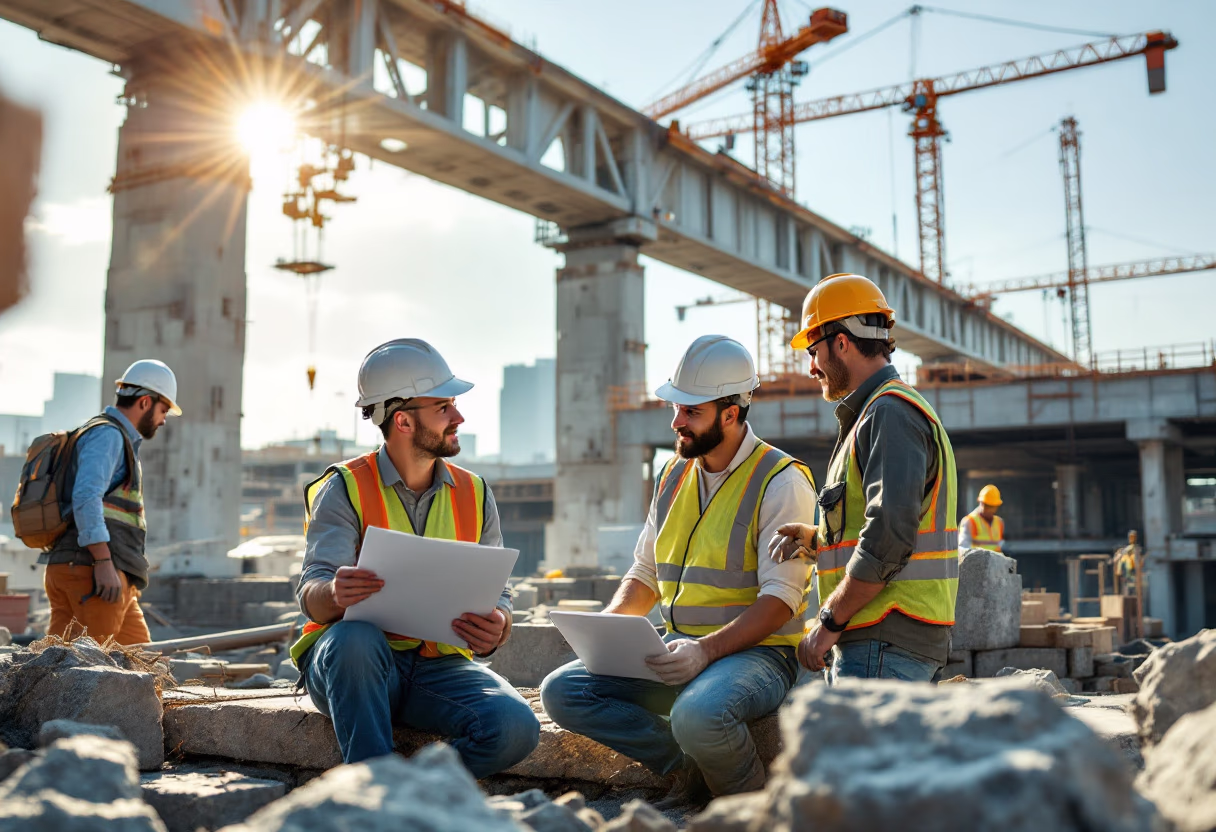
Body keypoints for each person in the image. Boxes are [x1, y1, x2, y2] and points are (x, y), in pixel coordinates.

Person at [541, 335, 817, 804]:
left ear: (730, 413)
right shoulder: (673, 475)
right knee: (563, 691)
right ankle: (686, 770)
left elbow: (780, 602)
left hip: (760, 656)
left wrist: (704, 652)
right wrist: (608, 631)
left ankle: (748, 807)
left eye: (691, 411)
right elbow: (644, 572)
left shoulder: (781, 480)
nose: (676, 421)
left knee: (697, 715)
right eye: (677, 408)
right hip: (680, 649)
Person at [290, 338, 539, 775]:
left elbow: (498, 591)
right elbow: (311, 592)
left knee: (514, 727)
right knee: (356, 640)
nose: (458, 417)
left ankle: (410, 790)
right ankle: (375, 793)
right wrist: (336, 592)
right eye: (443, 407)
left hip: (436, 670)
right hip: (356, 667)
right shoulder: (344, 487)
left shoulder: (475, 493)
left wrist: (499, 624)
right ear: (403, 421)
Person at [769, 273, 959, 683]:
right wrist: (819, 538)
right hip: (883, 644)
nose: (811, 366)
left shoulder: (889, 413)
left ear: (842, 342)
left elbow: (888, 538)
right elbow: (875, 525)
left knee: (860, 750)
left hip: (885, 642)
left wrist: (827, 624)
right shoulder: (879, 412)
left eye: (814, 350)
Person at [42, 359, 180, 645]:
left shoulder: (112, 437)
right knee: (86, 673)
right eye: (163, 409)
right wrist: (103, 561)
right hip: (92, 573)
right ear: (144, 402)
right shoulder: (108, 436)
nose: (164, 419)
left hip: (106, 575)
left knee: (143, 665)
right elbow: (86, 496)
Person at [959, 485, 1005, 552]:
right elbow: (963, 548)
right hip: (977, 561)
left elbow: (1000, 545)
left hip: (996, 561)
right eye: (987, 506)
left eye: (992, 506)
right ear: (981, 503)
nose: (989, 510)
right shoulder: (970, 521)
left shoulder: (999, 522)